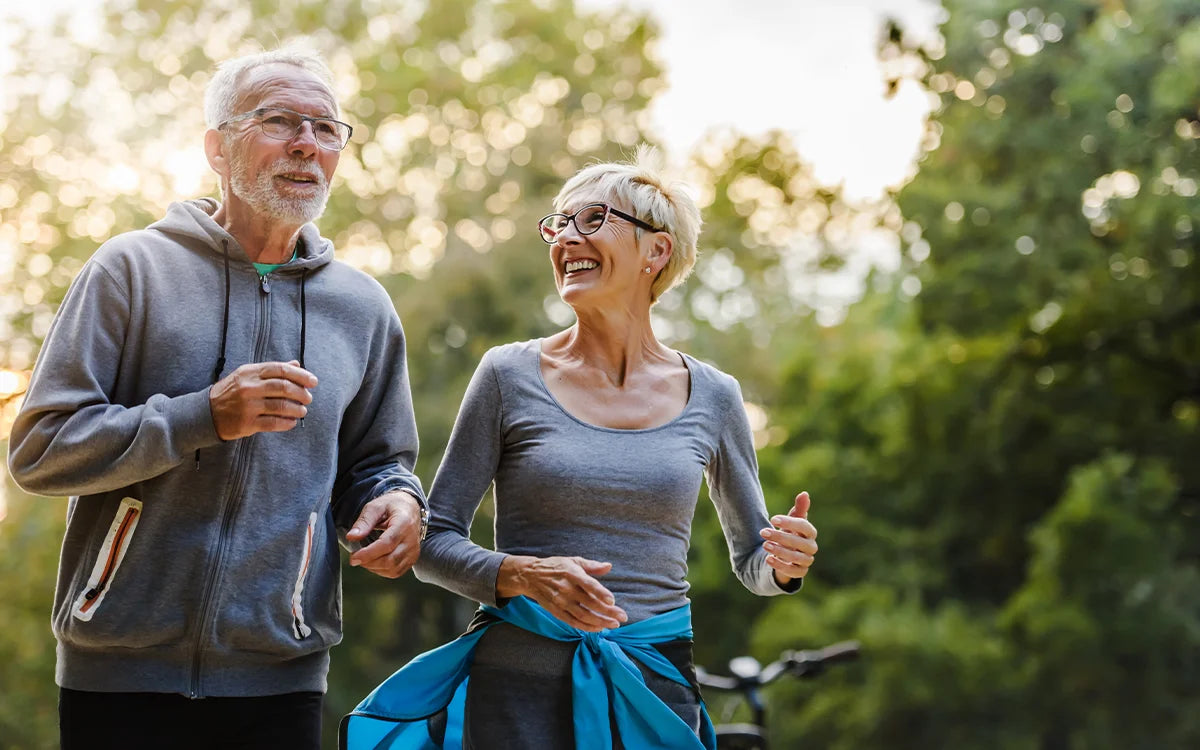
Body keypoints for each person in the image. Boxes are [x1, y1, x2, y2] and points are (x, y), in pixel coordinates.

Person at [7, 45, 428, 750]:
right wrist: (202, 416)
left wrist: (398, 502)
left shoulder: (362, 307)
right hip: (119, 675)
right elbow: (40, 451)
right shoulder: (131, 270)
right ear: (218, 148)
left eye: (327, 129)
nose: (306, 144)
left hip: (282, 676)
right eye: (280, 121)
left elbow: (380, 463)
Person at [342, 147, 818, 750]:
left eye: (592, 219)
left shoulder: (716, 397)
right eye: (558, 224)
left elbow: (755, 565)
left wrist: (785, 565)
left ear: (657, 250)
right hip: (514, 690)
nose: (566, 237)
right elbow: (432, 543)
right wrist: (522, 575)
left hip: (654, 690)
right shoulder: (506, 374)